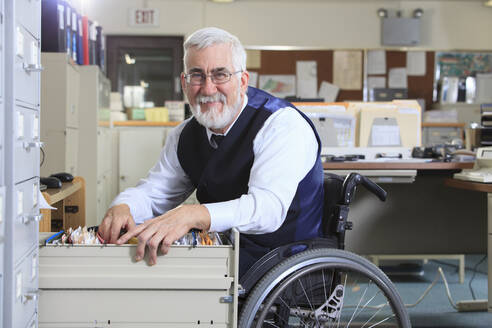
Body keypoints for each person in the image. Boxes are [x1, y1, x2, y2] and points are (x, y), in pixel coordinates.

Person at [98, 27, 325, 277]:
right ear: (184, 83)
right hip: (224, 250)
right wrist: (124, 206)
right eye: (197, 76)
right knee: (137, 261)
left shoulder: (281, 124)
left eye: (220, 75)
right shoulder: (185, 135)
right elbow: (154, 194)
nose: (207, 89)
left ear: (242, 81)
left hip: (282, 262)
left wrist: (193, 214)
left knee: (166, 274)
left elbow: (267, 210)